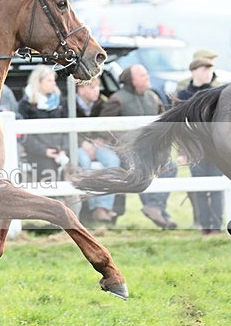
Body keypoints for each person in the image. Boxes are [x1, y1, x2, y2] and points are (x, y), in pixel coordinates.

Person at [101, 64, 178, 229]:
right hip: (126, 151)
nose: (147, 77)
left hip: (151, 148)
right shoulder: (117, 100)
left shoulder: (153, 97)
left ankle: (156, 207)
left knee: (170, 167)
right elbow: (105, 128)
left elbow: (162, 121)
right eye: (143, 75)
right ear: (132, 80)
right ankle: (155, 209)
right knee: (141, 166)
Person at [176, 57, 224, 235]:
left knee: (217, 188)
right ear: (194, 71)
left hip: (215, 149)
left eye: (210, 70)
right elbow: (179, 127)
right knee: (200, 189)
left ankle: (217, 226)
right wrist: (183, 151)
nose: (208, 73)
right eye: (204, 69)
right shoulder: (183, 96)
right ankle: (205, 226)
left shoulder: (217, 93)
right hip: (194, 149)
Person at [74, 76, 121, 223]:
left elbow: (108, 125)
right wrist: (82, 142)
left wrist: (101, 138)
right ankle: (94, 207)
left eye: (97, 87)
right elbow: (63, 128)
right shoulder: (69, 103)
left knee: (113, 160)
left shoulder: (104, 103)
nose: (97, 91)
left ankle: (104, 207)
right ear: (81, 90)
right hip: (77, 145)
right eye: (92, 87)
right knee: (84, 161)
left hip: (98, 144)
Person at [17, 65, 68, 183]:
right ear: (38, 82)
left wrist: (64, 149)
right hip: (38, 153)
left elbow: (67, 127)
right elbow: (24, 135)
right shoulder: (25, 104)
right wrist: (44, 151)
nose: (53, 84)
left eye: (54, 80)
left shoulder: (60, 101)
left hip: (61, 151)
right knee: (49, 176)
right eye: (49, 80)